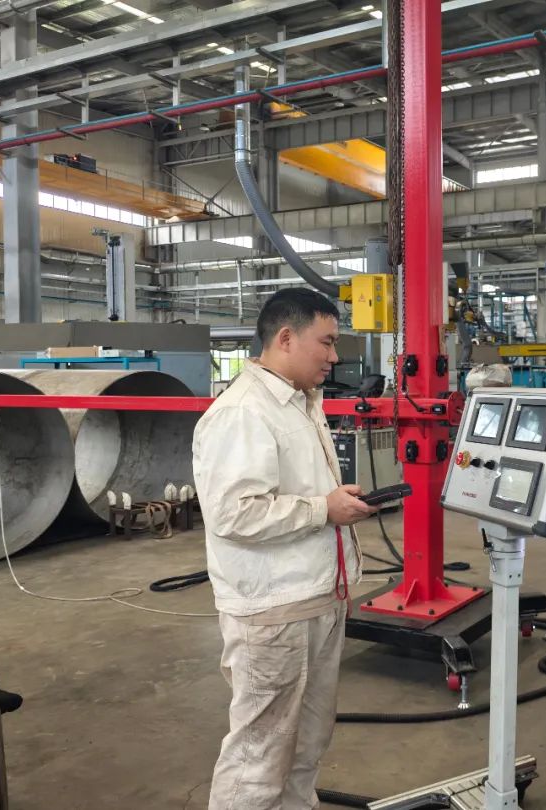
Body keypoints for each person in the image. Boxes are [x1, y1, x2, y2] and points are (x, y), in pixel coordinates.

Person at [193, 288, 378, 809]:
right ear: (286, 338)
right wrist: (323, 508)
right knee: (260, 756)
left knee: (305, 744)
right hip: (274, 611)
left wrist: (335, 503)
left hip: (316, 597)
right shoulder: (244, 413)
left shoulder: (300, 401)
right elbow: (233, 513)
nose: (334, 356)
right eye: (327, 342)